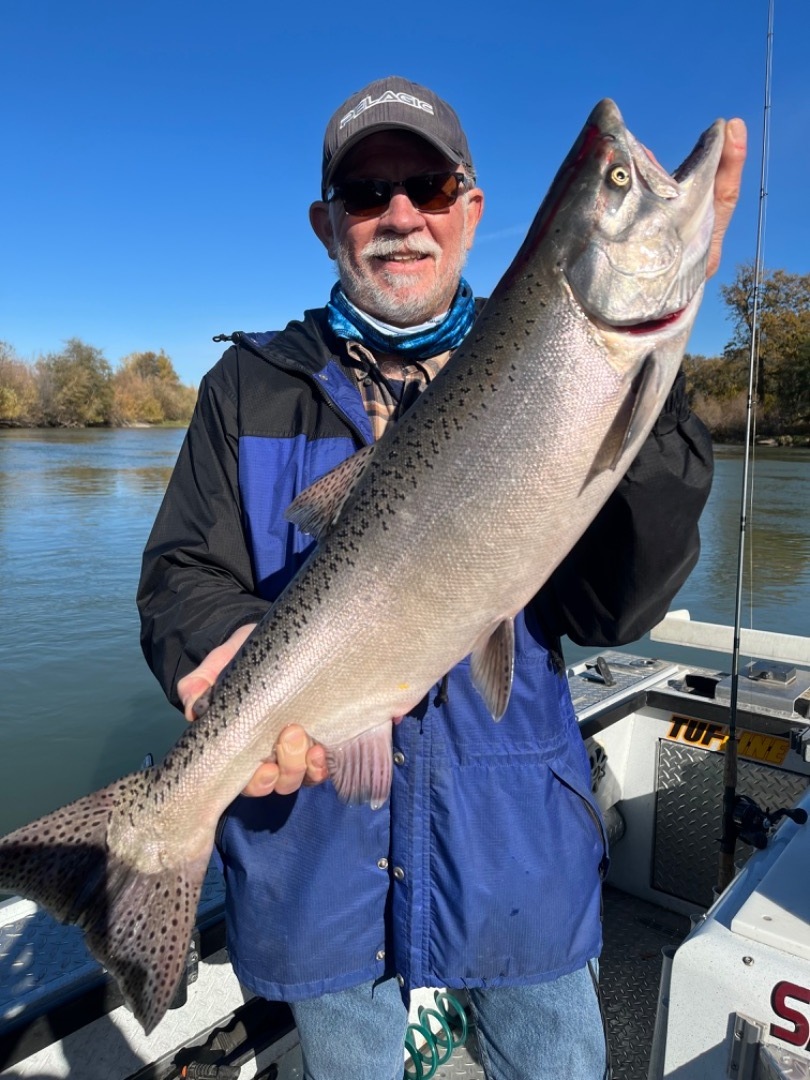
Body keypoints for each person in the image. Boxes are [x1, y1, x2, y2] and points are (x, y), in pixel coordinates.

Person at [137, 76, 746, 1080]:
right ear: (327, 223)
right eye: (369, 195)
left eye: (426, 184)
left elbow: (616, 606)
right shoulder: (244, 386)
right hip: (314, 852)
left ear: (470, 209)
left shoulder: (559, 354)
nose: (400, 216)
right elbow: (182, 576)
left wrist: (653, 385)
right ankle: (154, 843)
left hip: (519, 855)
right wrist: (211, 649)